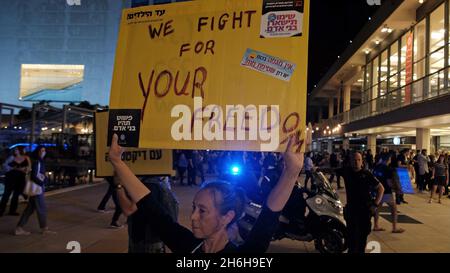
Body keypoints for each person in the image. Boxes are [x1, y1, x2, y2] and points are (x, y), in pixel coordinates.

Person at [108, 134, 303, 253]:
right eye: (194, 208)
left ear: (227, 216)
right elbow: (151, 207)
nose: (192, 217)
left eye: (202, 211)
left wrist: (291, 172)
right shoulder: (187, 245)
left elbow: (269, 217)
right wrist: (117, 162)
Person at [116, 175, 179, 253]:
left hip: (145, 240)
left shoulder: (148, 184)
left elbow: (128, 209)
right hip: (154, 238)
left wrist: (119, 186)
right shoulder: (160, 182)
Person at [337, 151, 384, 253]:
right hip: (351, 211)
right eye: (354, 160)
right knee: (351, 238)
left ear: (362, 162)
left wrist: (375, 204)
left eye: (359, 160)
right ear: (350, 161)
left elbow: (381, 188)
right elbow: (332, 170)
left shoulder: (366, 174)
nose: (356, 162)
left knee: (361, 239)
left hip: (364, 211)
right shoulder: (347, 172)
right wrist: (317, 170)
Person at [15, 146, 55, 235]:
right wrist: (42, 182)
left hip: (36, 188)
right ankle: (44, 228)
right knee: (42, 208)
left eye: (44, 150)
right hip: (37, 189)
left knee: (29, 209)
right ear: (37, 152)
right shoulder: (38, 162)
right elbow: (34, 175)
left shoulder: (39, 161)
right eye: (41, 150)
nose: (43, 152)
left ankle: (19, 228)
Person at [372, 154, 405, 233]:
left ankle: (376, 225)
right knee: (393, 208)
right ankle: (394, 228)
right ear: (388, 159)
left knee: (378, 208)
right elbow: (389, 182)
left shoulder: (377, 167)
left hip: (377, 190)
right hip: (386, 191)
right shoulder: (388, 169)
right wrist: (396, 189)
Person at [0, 147, 31, 216]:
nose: (15, 151)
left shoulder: (26, 158)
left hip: (20, 179)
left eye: (17, 149)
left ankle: (12, 211)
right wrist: (13, 168)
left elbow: (29, 168)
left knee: (16, 195)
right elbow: (4, 165)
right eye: (15, 150)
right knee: (6, 194)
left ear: (21, 150)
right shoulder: (11, 157)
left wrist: (25, 170)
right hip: (10, 178)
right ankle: (1, 210)